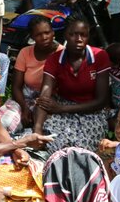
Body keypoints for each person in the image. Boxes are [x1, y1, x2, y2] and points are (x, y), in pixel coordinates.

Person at [34, 18, 112, 152]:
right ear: (65, 35)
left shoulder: (99, 56)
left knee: (81, 147)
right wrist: (37, 131)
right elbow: (44, 98)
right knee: (52, 142)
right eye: (73, 34)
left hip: (92, 111)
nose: (79, 39)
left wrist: (63, 108)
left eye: (83, 35)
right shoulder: (54, 59)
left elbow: (101, 101)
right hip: (62, 105)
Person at [0, 16, 62, 132]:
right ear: (32, 37)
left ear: (53, 32)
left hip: (50, 102)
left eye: (47, 33)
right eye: (38, 34)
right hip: (24, 99)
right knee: (6, 123)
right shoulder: (25, 52)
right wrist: (24, 108)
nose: (44, 37)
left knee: (48, 130)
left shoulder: (62, 53)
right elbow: (16, 87)